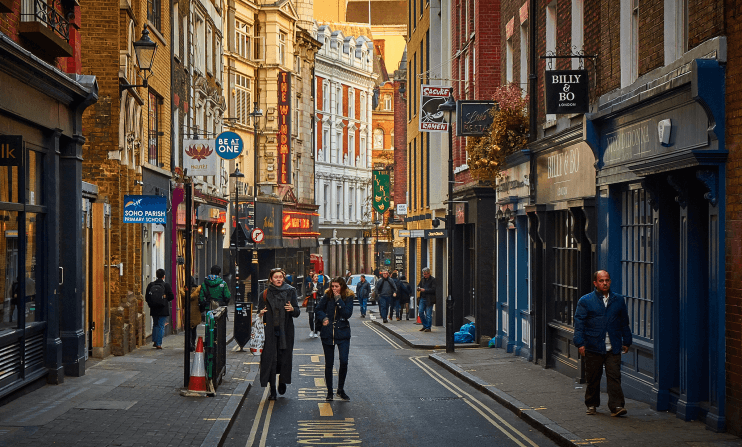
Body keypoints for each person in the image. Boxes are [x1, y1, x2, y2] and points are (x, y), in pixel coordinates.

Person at [574, 270, 632, 417]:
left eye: (607, 280)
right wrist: (580, 343)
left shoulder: (618, 300)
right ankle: (591, 404)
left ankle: (616, 406)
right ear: (595, 283)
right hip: (593, 346)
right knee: (593, 377)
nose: (604, 283)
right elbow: (579, 324)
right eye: (601, 281)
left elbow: (624, 322)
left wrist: (627, 340)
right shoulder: (585, 301)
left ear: (610, 281)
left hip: (613, 346)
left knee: (614, 377)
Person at [258, 268, 301, 400]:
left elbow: (297, 312)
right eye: (275, 277)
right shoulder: (264, 294)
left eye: (280, 277)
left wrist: (293, 309)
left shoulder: (290, 291)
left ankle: (282, 381)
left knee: (284, 359)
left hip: (285, 332)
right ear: (271, 279)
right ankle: (272, 390)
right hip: (269, 332)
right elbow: (259, 314)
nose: (278, 279)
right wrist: (260, 314)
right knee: (271, 360)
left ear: (283, 278)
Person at [316, 277, 355, 401]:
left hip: (342, 333)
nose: (334, 289)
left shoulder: (348, 297)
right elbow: (318, 309)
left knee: (344, 361)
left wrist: (338, 299)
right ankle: (329, 392)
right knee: (329, 364)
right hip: (327, 333)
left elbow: (347, 314)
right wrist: (323, 318)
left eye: (336, 286)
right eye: (332, 286)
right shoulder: (327, 296)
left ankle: (340, 389)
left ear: (342, 287)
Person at [145, 268, 175, 349]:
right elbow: (171, 296)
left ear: (156, 275)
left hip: (154, 308)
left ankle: (154, 340)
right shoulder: (166, 285)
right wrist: (165, 299)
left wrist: (151, 304)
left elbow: (147, 297)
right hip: (163, 309)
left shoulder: (151, 285)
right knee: (161, 325)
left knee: (155, 324)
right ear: (164, 276)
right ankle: (158, 343)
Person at [417, 268, 436, 332]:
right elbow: (419, 285)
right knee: (420, 312)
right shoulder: (422, 279)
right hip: (422, 298)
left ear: (429, 273)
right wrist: (418, 288)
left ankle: (428, 327)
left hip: (429, 299)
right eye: (423, 274)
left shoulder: (433, 280)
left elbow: (433, 290)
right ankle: (425, 325)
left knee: (428, 314)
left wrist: (425, 290)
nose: (424, 275)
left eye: (425, 274)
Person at [187, 276, 201, 352]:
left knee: (188, 329)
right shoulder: (197, 290)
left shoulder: (185, 290)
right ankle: (192, 344)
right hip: (196, 312)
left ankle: (189, 344)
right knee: (194, 329)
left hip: (187, 311)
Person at [306, 273, 321, 338]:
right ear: (312, 278)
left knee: (317, 318)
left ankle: (316, 332)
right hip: (311, 303)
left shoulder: (320, 284)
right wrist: (311, 292)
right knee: (311, 317)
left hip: (318, 302)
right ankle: (312, 330)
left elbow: (322, 293)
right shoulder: (309, 284)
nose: (316, 278)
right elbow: (306, 293)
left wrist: (317, 291)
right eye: (315, 276)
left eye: (317, 276)